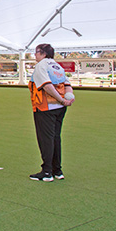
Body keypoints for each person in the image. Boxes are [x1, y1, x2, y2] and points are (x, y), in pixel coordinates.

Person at [28, 43, 74, 182]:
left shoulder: (41, 66)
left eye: (36, 52)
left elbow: (47, 86)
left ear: (43, 53)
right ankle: (57, 170)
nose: (35, 55)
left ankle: (47, 171)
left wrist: (60, 100)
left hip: (45, 107)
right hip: (59, 109)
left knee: (46, 139)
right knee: (55, 137)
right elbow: (67, 85)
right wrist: (68, 99)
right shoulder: (57, 66)